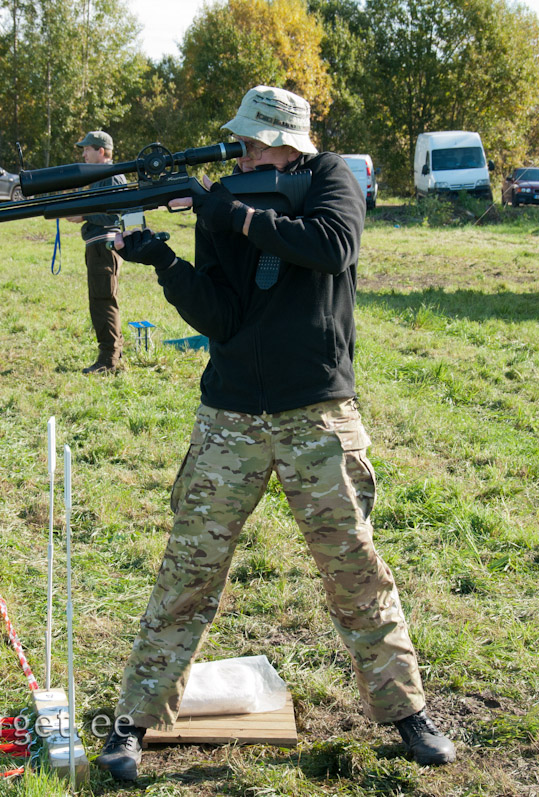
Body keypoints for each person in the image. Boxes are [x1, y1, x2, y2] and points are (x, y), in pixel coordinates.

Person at [96, 85, 457, 782]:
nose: (243, 150)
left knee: (355, 572)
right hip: (230, 415)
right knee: (186, 574)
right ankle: (134, 721)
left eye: (255, 141)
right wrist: (165, 264)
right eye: (240, 141)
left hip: (315, 413)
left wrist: (226, 208)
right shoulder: (227, 199)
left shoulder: (330, 179)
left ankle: (408, 713)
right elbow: (224, 317)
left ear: (290, 142)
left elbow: (331, 246)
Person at [66, 130, 127, 374]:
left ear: (101, 151)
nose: (83, 154)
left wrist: (83, 214)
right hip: (99, 245)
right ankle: (114, 352)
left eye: (87, 149)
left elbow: (115, 213)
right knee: (102, 300)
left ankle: (108, 361)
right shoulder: (102, 176)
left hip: (105, 245)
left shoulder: (111, 177)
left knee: (102, 302)